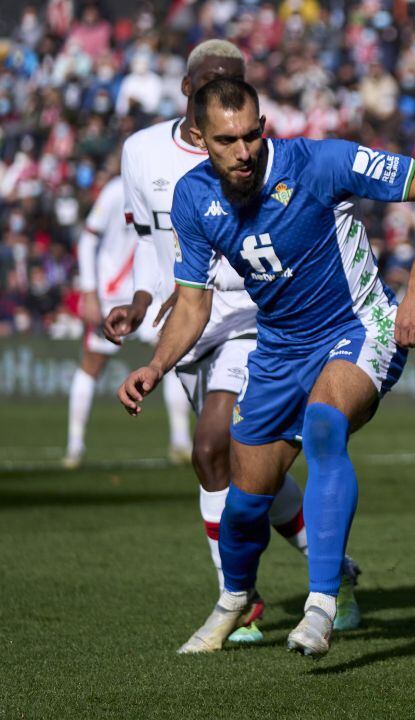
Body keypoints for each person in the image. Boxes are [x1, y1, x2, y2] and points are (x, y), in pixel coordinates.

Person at [117, 78, 415, 657]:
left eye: (253, 134)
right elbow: (193, 302)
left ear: (264, 126)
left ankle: (321, 604)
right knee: (246, 501)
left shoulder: (321, 161)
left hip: (358, 328)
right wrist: (154, 365)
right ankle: (232, 600)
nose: (244, 150)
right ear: (199, 138)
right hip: (277, 351)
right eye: (227, 140)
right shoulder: (192, 199)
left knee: (325, 425)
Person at [104, 40, 360, 644]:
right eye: (210, 82)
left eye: (235, 81)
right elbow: (150, 241)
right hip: (188, 323)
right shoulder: (142, 153)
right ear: (189, 93)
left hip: (254, 316)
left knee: (210, 446)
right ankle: (337, 571)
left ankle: (238, 600)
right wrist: (143, 301)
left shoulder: (268, 153)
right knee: (251, 470)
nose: (223, 89)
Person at [66, 167, 192, 469]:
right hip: (115, 296)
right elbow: (87, 240)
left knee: (170, 361)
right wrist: (90, 292)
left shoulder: (160, 188)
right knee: (92, 364)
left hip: (151, 291)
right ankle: (74, 444)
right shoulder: (114, 191)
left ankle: (180, 441)